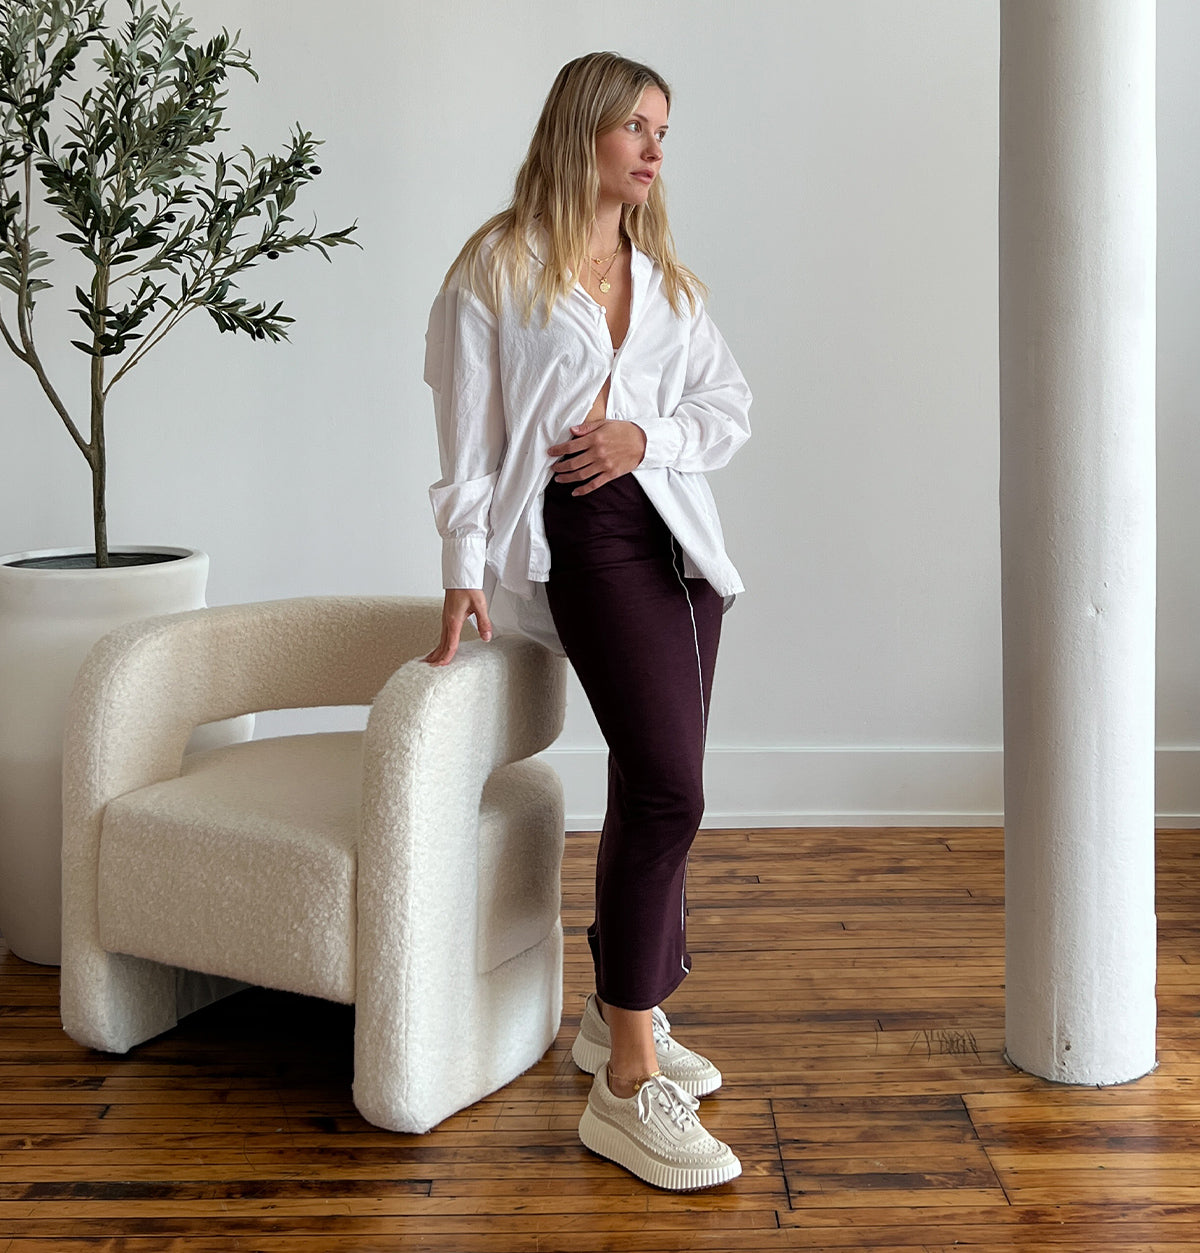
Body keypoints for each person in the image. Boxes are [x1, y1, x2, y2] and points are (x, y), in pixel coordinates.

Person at [422, 50, 751, 1191]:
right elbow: (467, 436)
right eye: (635, 127)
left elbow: (729, 408)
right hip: (587, 534)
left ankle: (621, 1018)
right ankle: (624, 1088)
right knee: (670, 789)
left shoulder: (667, 282)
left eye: (663, 131)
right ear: (584, 131)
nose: (655, 149)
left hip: (685, 548)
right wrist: (462, 566)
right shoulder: (499, 267)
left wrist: (645, 435)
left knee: (647, 784)